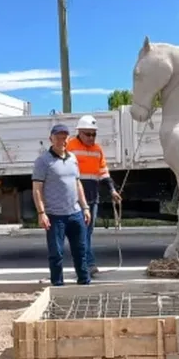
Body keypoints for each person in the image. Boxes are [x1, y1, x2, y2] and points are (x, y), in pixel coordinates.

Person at [32, 124, 93, 286]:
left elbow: (77, 184)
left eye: (65, 137)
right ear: (50, 139)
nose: (62, 140)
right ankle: (58, 286)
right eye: (58, 137)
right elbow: (37, 189)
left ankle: (84, 283)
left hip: (76, 214)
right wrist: (41, 213)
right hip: (55, 216)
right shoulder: (43, 161)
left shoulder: (73, 158)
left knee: (81, 252)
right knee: (56, 254)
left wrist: (85, 207)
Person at [66, 114, 122, 277]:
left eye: (94, 134)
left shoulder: (97, 150)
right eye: (88, 134)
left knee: (87, 233)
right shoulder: (70, 146)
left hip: (92, 198)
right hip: (75, 198)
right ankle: (86, 264)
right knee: (81, 232)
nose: (91, 137)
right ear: (79, 132)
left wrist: (112, 190)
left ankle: (86, 264)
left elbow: (103, 172)